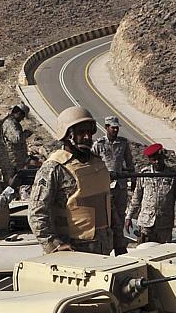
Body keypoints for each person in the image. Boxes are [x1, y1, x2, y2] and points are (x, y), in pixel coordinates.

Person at [27, 106, 113, 255]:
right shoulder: (54, 168)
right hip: (72, 253)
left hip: (103, 250)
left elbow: (109, 205)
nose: (87, 137)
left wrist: (119, 242)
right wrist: (54, 245)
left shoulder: (97, 164)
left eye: (89, 132)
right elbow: (36, 212)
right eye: (81, 132)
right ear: (67, 135)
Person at [93, 116, 135, 253]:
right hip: (105, 186)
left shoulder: (123, 143)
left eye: (117, 128)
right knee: (106, 217)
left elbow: (129, 162)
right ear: (106, 127)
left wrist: (132, 179)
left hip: (120, 186)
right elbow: (92, 164)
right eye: (113, 128)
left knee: (120, 217)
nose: (115, 130)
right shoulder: (99, 144)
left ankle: (119, 245)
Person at [128, 143, 176, 243]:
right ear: (150, 160)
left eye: (159, 159)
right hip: (146, 223)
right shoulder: (144, 174)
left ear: (163, 157)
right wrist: (129, 217)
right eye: (154, 160)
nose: (157, 162)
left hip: (164, 224)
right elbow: (137, 197)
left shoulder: (173, 175)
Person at [0, 105, 30, 185]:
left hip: (11, 160)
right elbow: (17, 138)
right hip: (9, 160)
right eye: (22, 116)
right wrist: (26, 134)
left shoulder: (12, 122)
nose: (22, 119)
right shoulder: (10, 123)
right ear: (19, 113)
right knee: (11, 181)